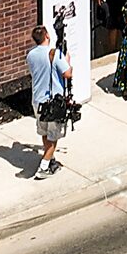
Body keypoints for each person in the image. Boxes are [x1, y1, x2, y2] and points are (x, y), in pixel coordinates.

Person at [26, 22, 75, 178]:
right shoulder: (56, 54)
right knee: (54, 135)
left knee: (45, 131)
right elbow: (68, 74)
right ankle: (44, 166)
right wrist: (67, 60)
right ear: (47, 36)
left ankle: (50, 159)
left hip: (37, 100)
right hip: (53, 102)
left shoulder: (31, 55)